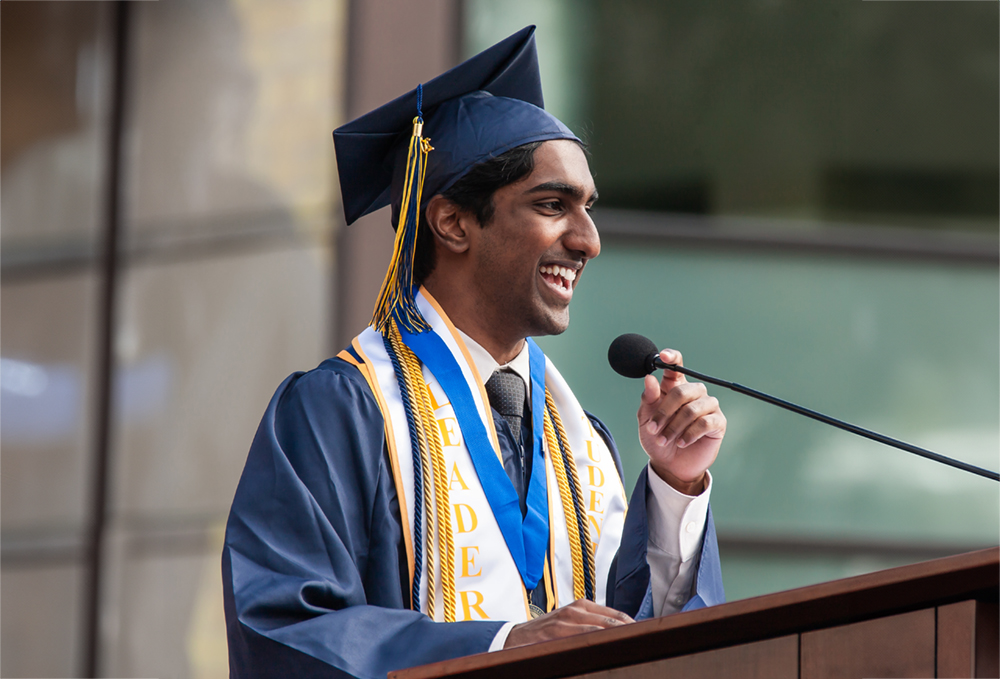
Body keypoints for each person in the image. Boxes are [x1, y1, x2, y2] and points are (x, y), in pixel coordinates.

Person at [222, 27, 727, 679]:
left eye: (589, 209)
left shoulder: (580, 443)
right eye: (553, 205)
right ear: (453, 221)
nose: (589, 240)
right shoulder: (339, 409)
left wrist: (675, 491)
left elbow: (644, 646)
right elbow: (282, 628)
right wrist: (499, 645)